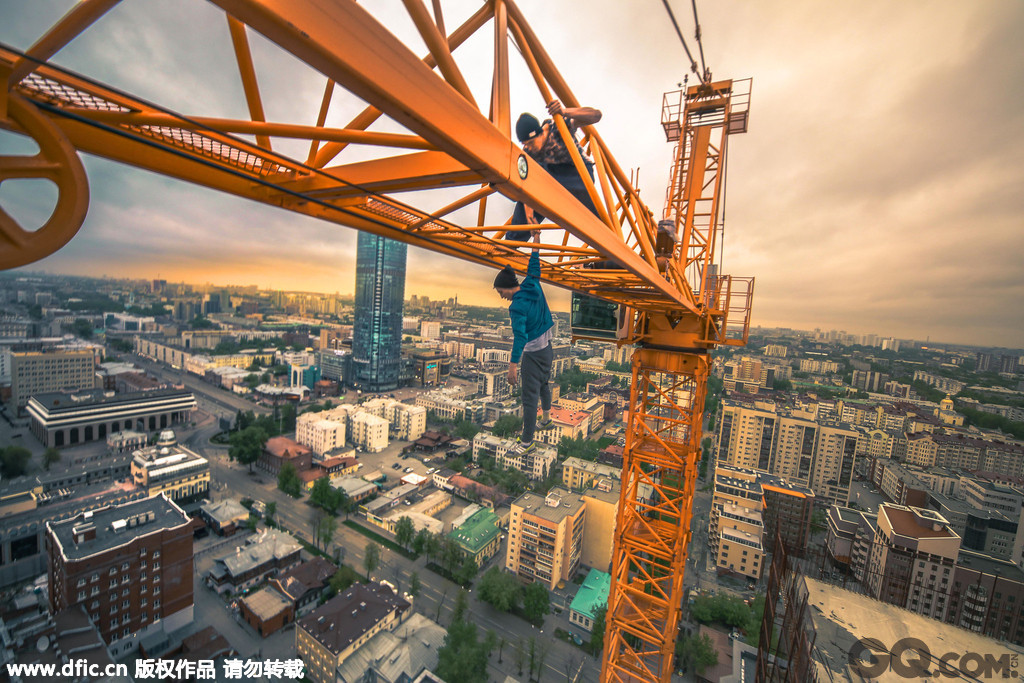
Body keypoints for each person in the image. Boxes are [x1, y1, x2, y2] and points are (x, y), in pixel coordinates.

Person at [505, 99, 603, 242]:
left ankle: (603, 235)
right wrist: (530, 216)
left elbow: (596, 115)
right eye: (526, 144)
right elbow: (526, 183)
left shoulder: (558, 128)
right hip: (552, 178)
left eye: (531, 143)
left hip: (577, 174)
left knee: (595, 222)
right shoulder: (529, 152)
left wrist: (565, 111)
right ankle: (511, 242)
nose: (529, 147)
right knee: (528, 182)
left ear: (539, 133)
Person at [493, 231, 555, 454]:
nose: (502, 296)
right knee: (544, 385)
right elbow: (534, 260)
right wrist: (536, 238)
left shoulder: (516, 306)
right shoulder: (533, 283)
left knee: (529, 398)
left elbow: (520, 338)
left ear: (508, 287)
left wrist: (512, 366)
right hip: (548, 349)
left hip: (533, 354)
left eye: (501, 291)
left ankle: (527, 442)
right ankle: (547, 419)